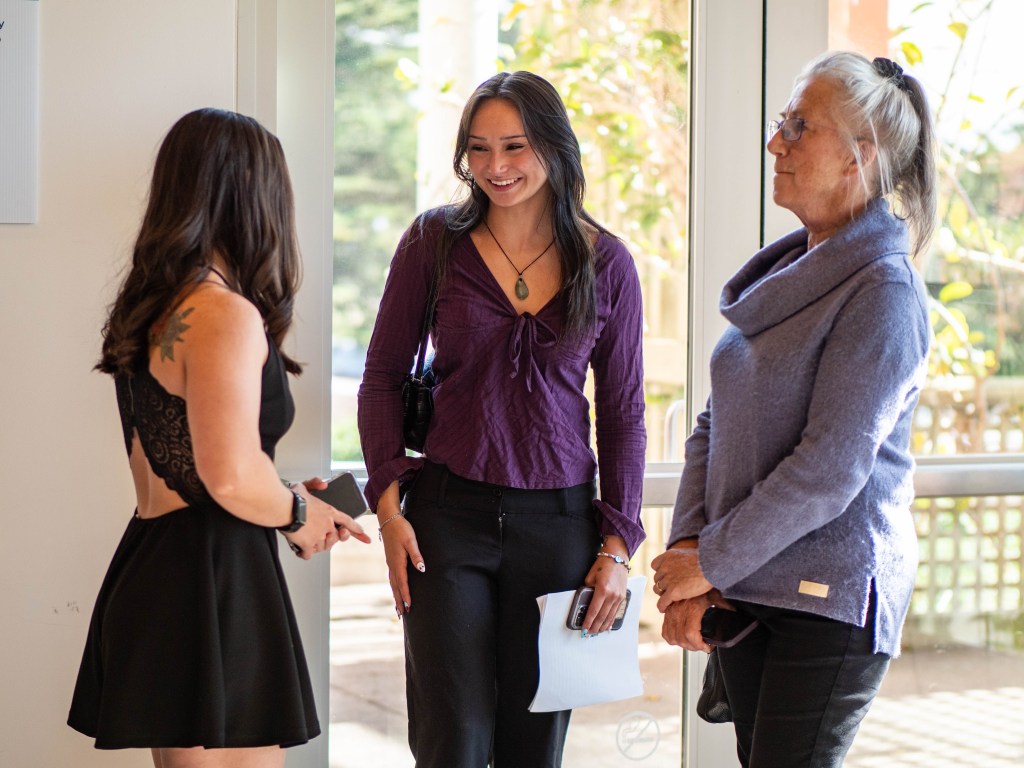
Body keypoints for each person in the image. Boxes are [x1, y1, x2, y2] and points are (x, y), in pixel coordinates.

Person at [652, 51, 936, 768]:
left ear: (857, 158)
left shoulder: (884, 293)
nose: (776, 142)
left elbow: (830, 469)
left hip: (830, 598)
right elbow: (713, 427)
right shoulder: (787, 276)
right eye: (784, 123)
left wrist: (710, 558)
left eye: (799, 127)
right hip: (749, 583)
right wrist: (692, 555)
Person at [357, 70, 646, 767]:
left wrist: (616, 550)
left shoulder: (606, 263)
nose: (495, 167)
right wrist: (391, 512)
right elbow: (381, 382)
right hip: (446, 521)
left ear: (553, 146)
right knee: (451, 743)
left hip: (559, 528)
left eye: (514, 147)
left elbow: (624, 413)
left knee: (532, 747)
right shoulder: (432, 243)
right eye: (479, 149)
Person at [68, 108, 371, 768]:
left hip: (158, 562)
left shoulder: (152, 306)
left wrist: (286, 499)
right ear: (254, 194)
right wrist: (298, 511)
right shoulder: (224, 314)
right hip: (212, 578)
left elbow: (198, 464)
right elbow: (229, 477)